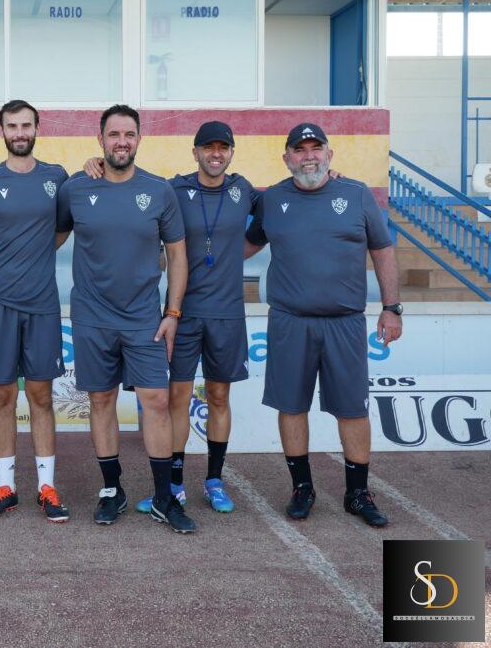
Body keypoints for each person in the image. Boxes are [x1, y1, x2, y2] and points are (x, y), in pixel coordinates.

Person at [84, 121, 258, 514]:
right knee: (176, 396)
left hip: (228, 313)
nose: (216, 154)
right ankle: (175, 484)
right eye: (208, 147)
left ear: (232, 152)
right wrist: (95, 162)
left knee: (219, 395)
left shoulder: (244, 190)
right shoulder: (172, 189)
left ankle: (214, 480)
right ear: (195, 152)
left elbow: (269, 223)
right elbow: (128, 183)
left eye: (223, 147)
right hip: (182, 312)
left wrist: (232, 255)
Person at [245, 123, 403, 527]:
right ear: (286, 158)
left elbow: (383, 250)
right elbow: (246, 244)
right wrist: (200, 253)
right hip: (290, 321)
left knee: (352, 409)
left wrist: (392, 308)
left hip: (344, 323)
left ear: (329, 155)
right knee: (291, 406)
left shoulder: (356, 194)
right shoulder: (272, 198)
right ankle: (302, 488)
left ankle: (357, 493)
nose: (309, 156)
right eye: (300, 150)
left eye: (316, 148)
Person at [57, 105, 195, 532]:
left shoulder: (158, 190)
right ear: (100, 139)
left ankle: (163, 497)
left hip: (143, 319)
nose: (121, 142)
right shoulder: (75, 187)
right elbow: (46, 237)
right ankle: (111, 490)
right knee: (101, 401)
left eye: (129, 134)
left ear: (139, 139)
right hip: (92, 317)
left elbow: (178, 256)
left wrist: (172, 313)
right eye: (114, 134)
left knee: (156, 402)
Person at [0, 100, 71, 523]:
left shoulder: (56, 178)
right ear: (1, 130)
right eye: (12, 126)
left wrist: (33, 254)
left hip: (41, 304)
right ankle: (6, 486)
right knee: (1, 397)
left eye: (26, 125)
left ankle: (47, 487)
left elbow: (61, 230)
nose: (20, 132)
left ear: (38, 128)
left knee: (41, 396)